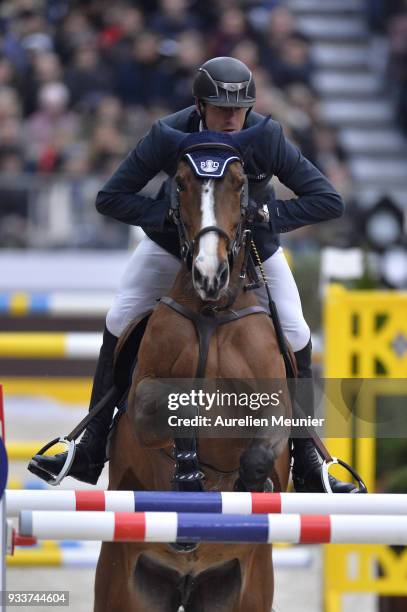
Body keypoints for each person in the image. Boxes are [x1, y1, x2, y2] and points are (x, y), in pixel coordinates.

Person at [29, 57, 357, 493]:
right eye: (221, 108)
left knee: (296, 331)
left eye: (238, 109)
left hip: (251, 248)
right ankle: (90, 443)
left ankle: (308, 457)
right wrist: (172, 217)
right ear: (199, 105)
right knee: (119, 317)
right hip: (172, 246)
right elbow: (111, 197)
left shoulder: (267, 136)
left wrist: (266, 213)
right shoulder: (168, 135)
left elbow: (327, 199)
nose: (230, 118)